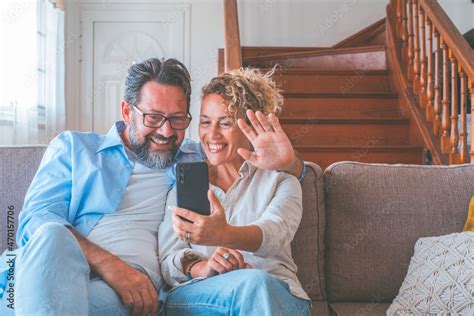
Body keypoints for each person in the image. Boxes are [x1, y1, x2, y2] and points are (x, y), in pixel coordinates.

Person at [0, 58, 305, 315]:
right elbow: (35, 221)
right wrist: (110, 265)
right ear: (126, 111)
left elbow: (250, 162)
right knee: (51, 235)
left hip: (125, 288)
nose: (166, 131)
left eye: (177, 119)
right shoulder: (74, 148)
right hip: (60, 267)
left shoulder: (193, 161)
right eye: (153, 117)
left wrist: (293, 164)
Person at [159, 68, 311, 315]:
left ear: (251, 126)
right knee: (250, 285)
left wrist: (224, 233)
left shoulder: (281, 180)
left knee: (254, 284)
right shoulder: (186, 181)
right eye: (205, 122)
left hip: (277, 293)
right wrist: (204, 267)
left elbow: (275, 235)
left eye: (226, 123)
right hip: (203, 294)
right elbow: (169, 260)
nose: (212, 134)